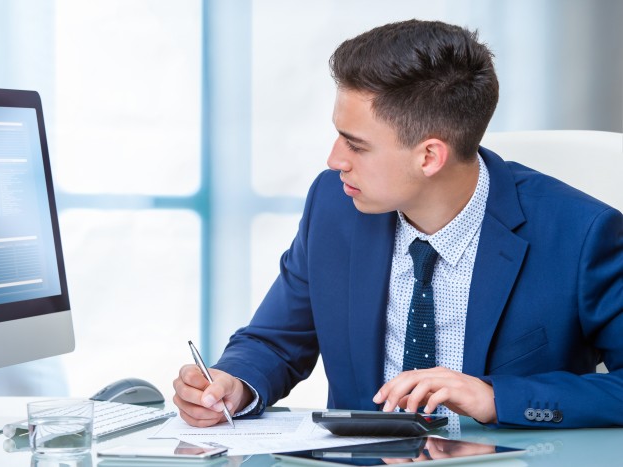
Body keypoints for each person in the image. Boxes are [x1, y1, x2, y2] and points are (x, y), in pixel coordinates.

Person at [173, 19, 623, 429]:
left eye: (356, 145)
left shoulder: (582, 234)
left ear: (429, 156)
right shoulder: (334, 204)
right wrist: (237, 383)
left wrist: (496, 397)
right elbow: (276, 341)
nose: (335, 161)